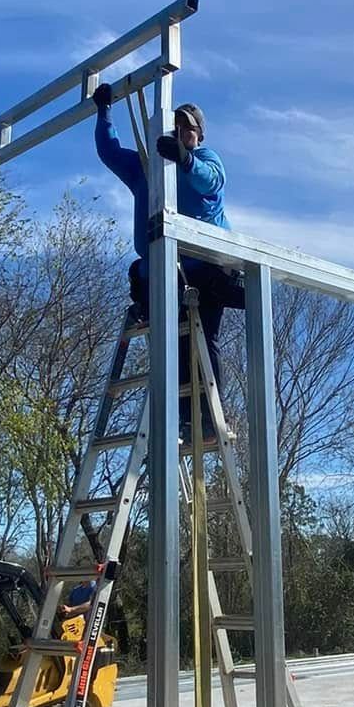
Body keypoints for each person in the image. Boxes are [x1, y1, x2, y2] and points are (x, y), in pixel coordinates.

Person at [91, 84, 244, 440]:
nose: (180, 132)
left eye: (187, 128)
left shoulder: (205, 160)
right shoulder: (147, 167)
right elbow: (109, 151)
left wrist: (185, 158)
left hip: (208, 267)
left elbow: (210, 182)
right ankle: (184, 420)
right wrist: (104, 112)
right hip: (166, 268)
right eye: (175, 127)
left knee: (204, 340)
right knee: (173, 342)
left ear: (199, 134)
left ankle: (208, 419)